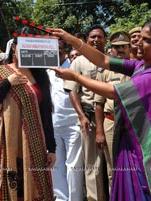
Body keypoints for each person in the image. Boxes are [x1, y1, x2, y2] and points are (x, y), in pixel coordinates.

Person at [51, 19, 151, 200]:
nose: (138, 43)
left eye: (146, 40)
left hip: (146, 151)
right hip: (130, 143)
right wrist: (72, 40)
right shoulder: (141, 66)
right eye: (139, 39)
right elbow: (104, 60)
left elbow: (112, 91)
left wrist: (75, 76)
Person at [0, 26, 56, 201]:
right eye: (22, 45)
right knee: (13, 188)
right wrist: (7, 84)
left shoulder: (40, 75)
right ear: (13, 47)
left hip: (34, 145)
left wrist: (52, 148)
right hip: (7, 143)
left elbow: (46, 113)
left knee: (35, 189)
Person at [63, 24, 108, 201]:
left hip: (112, 118)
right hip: (90, 119)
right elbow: (72, 91)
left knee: (114, 164)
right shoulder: (78, 62)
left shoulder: (111, 60)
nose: (96, 40)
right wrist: (81, 116)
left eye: (100, 37)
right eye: (93, 37)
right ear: (87, 40)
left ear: (106, 39)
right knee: (92, 165)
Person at [94, 30, 131, 195]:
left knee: (134, 167)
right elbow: (98, 104)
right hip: (110, 123)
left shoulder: (139, 68)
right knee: (113, 169)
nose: (120, 50)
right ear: (111, 49)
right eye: (117, 47)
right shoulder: (104, 72)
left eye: (124, 46)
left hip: (134, 125)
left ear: (130, 47)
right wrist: (99, 130)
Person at [48, 40, 84, 201]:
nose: (57, 53)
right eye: (54, 50)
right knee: (56, 164)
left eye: (60, 50)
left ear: (64, 51)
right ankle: (61, 198)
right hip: (53, 124)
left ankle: (75, 198)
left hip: (72, 123)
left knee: (74, 165)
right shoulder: (47, 70)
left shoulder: (73, 68)